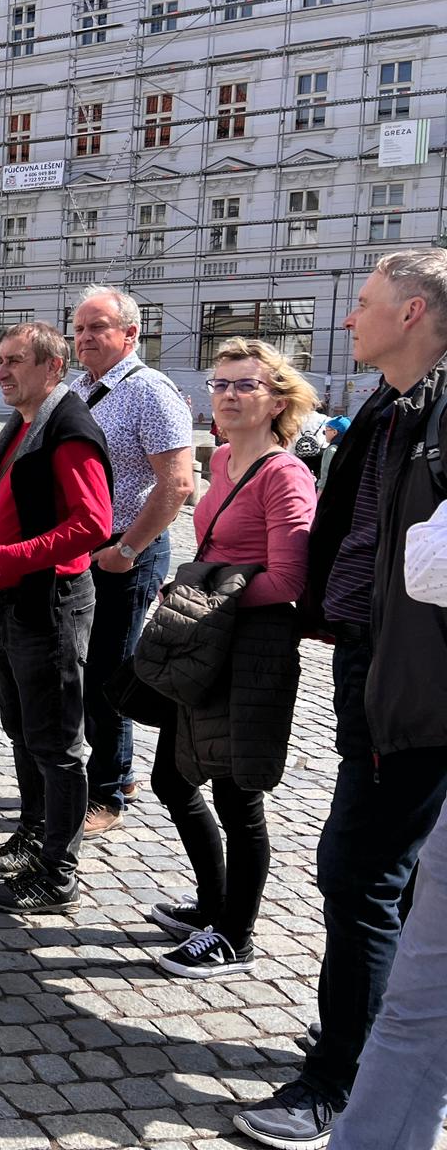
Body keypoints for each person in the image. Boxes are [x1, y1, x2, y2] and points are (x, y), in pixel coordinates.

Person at [235, 248, 447, 1148]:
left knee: (358, 870)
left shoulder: (438, 414)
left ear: (411, 314)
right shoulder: (392, 408)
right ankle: (365, 1029)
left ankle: (339, 1079)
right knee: (384, 877)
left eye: (363, 304)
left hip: (417, 680)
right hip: (372, 658)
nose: (348, 319)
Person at [144, 338, 316, 980]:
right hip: (206, 644)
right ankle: (213, 904)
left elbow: (290, 581)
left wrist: (211, 597)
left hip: (250, 651)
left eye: (246, 384)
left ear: (276, 400)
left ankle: (234, 935)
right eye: (220, 383)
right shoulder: (219, 460)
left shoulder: (284, 474)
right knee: (173, 777)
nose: (229, 394)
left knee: (239, 797)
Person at [0, 321, 113, 916]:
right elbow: (18, 499)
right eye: (0, 360)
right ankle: (34, 838)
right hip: (15, 600)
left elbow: (92, 526)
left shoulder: (69, 428)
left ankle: (59, 872)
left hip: (52, 604)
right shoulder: (25, 423)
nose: (1, 371)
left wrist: (5, 557)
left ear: (52, 368)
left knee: (58, 743)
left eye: (14, 361)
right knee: (23, 729)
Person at [327, 497, 447, 1150]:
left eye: (239, 382)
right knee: (414, 1016)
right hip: (384, 684)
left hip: (416, 717)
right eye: (219, 382)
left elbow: (426, 558)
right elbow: (422, 562)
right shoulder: (399, 415)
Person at [68, 286, 195, 838]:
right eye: (78, 329)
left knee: (109, 672)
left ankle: (111, 787)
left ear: (130, 334)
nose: (85, 338)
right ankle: (112, 770)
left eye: (97, 327)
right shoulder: (78, 387)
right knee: (83, 666)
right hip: (83, 546)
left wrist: (128, 549)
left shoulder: (152, 392)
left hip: (128, 549)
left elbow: (178, 483)